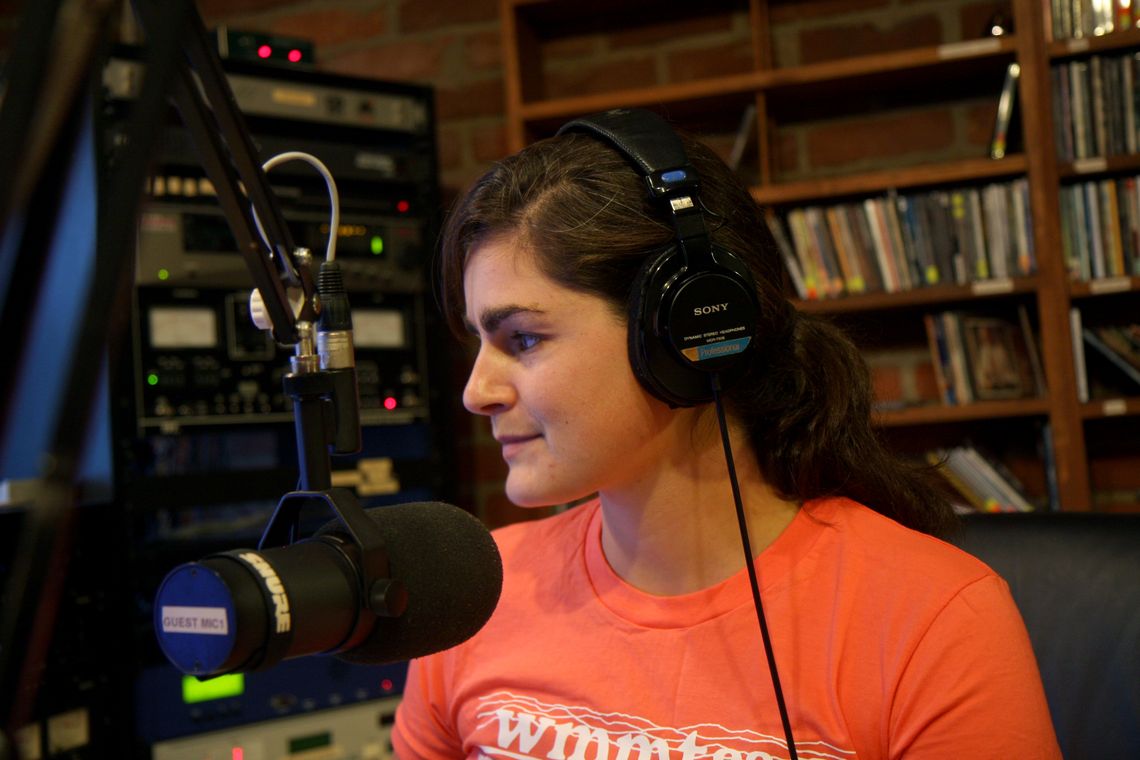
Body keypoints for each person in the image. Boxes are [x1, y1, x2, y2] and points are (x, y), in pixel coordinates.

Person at [391, 108, 1061, 759]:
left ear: (685, 330)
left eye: (524, 339)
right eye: (480, 342)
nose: (477, 393)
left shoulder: (936, 618)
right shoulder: (473, 595)